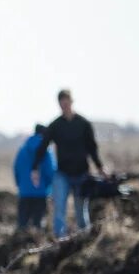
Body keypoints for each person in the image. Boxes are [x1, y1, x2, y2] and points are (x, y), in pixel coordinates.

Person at [33, 90, 107, 239]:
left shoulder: (83, 124)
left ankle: (85, 240)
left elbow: (92, 148)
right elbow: (43, 146)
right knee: (59, 209)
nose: (64, 106)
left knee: (81, 211)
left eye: (67, 102)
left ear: (71, 102)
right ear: (59, 104)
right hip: (62, 174)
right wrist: (34, 168)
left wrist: (100, 167)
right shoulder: (55, 125)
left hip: (81, 173)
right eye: (62, 103)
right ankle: (59, 240)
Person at [13, 125, 56, 231]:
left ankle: (20, 245)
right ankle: (35, 244)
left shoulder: (22, 150)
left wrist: (20, 185)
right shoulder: (47, 151)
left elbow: (16, 169)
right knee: (38, 225)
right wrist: (48, 187)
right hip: (41, 193)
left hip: (24, 193)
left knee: (22, 225)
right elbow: (50, 172)